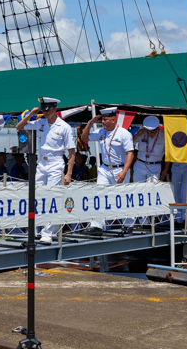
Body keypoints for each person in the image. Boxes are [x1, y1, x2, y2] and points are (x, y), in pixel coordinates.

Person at [17, 97, 76, 241]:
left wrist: (68, 174)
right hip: (41, 163)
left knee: (52, 197)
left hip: (56, 163)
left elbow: (71, 152)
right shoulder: (40, 123)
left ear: (55, 109)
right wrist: (31, 114)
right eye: (42, 108)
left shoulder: (64, 127)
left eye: (47, 109)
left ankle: (48, 233)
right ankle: (37, 229)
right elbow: (19, 127)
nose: (44, 111)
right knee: (37, 195)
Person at [80, 107, 137, 232]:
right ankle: (96, 225)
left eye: (105, 120)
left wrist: (124, 171)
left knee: (122, 196)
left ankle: (128, 224)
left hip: (120, 169)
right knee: (99, 194)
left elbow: (130, 154)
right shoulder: (101, 132)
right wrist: (90, 123)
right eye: (102, 120)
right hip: (104, 169)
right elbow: (84, 137)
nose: (103, 122)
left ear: (113, 120)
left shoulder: (124, 134)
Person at [132, 116, 164, 183]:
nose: (150, 134)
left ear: (157, 129)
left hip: (154, 166)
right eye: (148, 132)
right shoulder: (140, 132)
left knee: (151, 188)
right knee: (138, 188)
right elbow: (130, 145)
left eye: (152, 132)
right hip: (140, 165)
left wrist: (165, 169)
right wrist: (136, 135)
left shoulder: (164, 135)